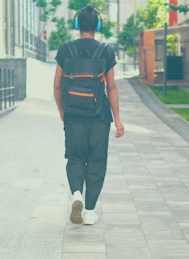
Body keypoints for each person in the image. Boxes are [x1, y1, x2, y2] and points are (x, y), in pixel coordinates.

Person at [53, 5, 124, 225]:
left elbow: (57, 86)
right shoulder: (105, 50)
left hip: (74, 114)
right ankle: (90, 211)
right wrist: (118, 120)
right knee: (97, 161)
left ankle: (76, 194)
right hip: (99, 116)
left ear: (77, 25)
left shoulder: (65, 50)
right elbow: (111, 87)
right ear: (98, 26)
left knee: (75, 157)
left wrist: (63, 112)